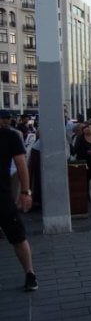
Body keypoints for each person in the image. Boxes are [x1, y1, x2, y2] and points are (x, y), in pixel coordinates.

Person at [0, 110, 38, 291]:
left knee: (17, 236)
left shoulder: (10, 137)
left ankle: (30, 273)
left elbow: (22, 164)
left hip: (2, 195)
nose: (6, 121)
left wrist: (25, 192)